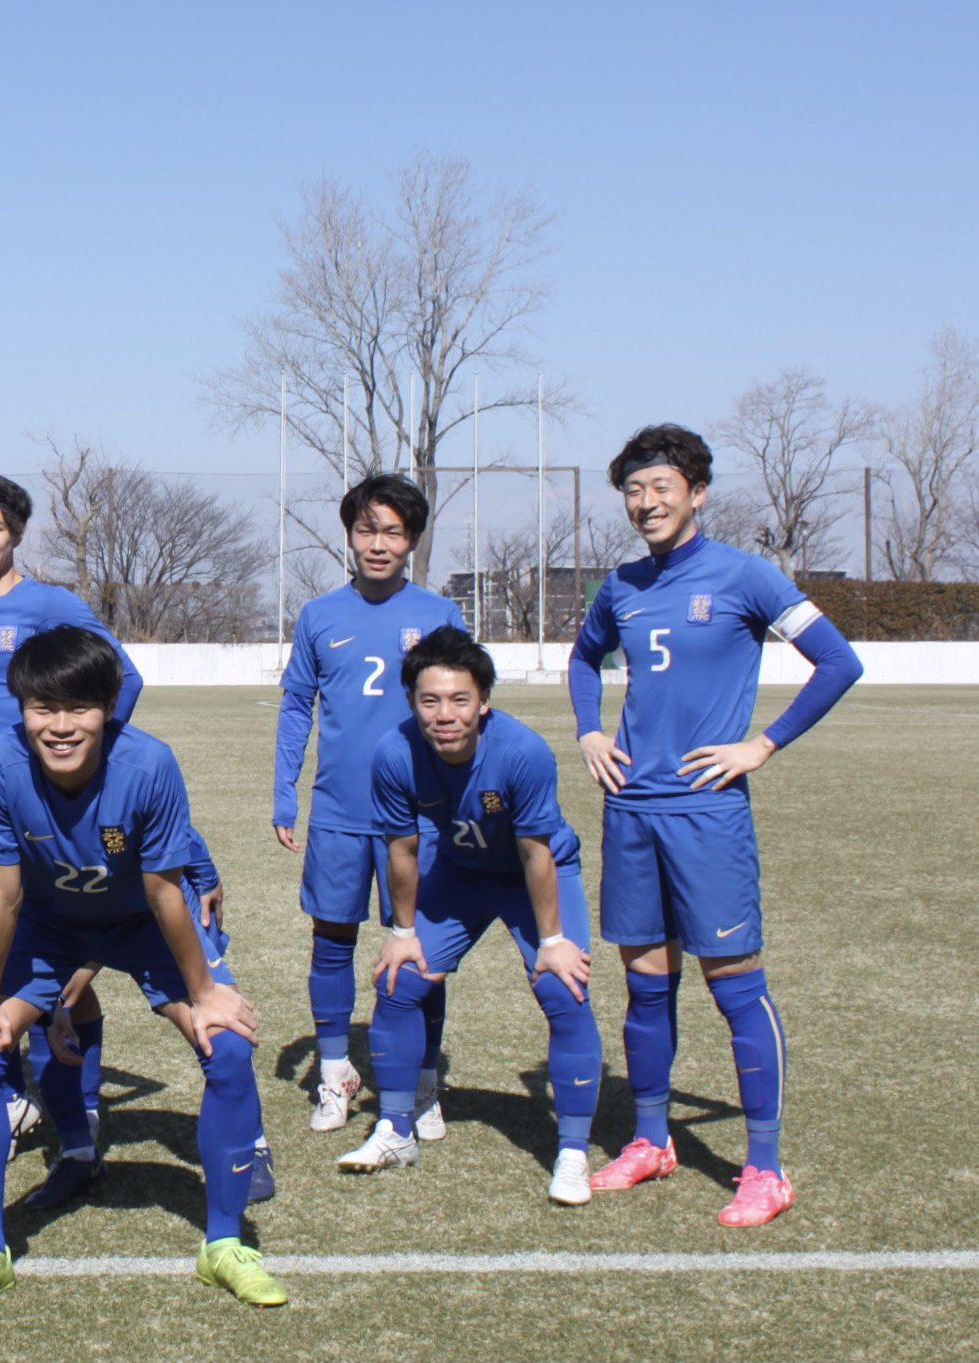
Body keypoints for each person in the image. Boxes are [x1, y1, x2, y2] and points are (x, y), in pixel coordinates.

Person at [0, 625, 287, 1314]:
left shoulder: (149, 763)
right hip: (50, 923)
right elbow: (1, 889)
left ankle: (225, 1244)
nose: (61, 725)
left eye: (79, 707)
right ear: (21, 708)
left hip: (143, 922)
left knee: (230, 1047)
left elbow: (164, 890)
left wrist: (206, 990)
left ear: (109, 707)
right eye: (43, 707)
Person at [570, 424, 861, 1226]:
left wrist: (760, 744)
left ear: (697, 491)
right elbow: (581, 659)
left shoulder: (746, 575)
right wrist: (591, 731)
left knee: (735, 987)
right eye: (632, 490)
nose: (644, 502)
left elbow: (839, 661)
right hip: (630, 812)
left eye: (660, 487)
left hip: (707, 813)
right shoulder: (620, 587)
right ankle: (652, 1140)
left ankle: (764, 1165)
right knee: (643, 987)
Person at [0, 740, 278, 1203]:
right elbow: (20, 937)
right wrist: (50, 997)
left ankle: (254, 1145)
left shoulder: (10, 820)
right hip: (59, 931)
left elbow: (146, 837)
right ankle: (80, 1154)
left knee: (218, 1030)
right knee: (33, 1020)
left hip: (140, 911)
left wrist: (205, 877)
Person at [0, 473, 146, 1163]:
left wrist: (78, 764)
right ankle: (16, 1096)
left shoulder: (54, 603)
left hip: (45, 811)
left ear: (17, 532)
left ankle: (81, 1106)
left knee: (63, 972)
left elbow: (125, 678)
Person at [344, 627, 602, 1204]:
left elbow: (536, 852)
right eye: (429, 700)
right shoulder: (393, 753)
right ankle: (396, 1129)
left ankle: (573, 1152)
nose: (445, 715)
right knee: (399, 980)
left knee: (564, 989)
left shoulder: (522, 751)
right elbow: (402, 850)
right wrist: (403, 932)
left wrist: (554, 940)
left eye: (460, 700)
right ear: (412, 701)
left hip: (535, 875)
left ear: (484, 701)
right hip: (461, 874)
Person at [273, 473, 467, 1136]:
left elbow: (468, 712)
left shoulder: (441, 614)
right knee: (331, 943)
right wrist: (284, 791)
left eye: (392, 531)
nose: (377, 544)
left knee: (420, 950)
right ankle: (335, 1074)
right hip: (337, 811)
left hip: (419, 816)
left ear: (410, 539)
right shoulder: (320, 615)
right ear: (349, 534)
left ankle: (420, 1083)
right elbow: (298, 703)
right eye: (365, 529)